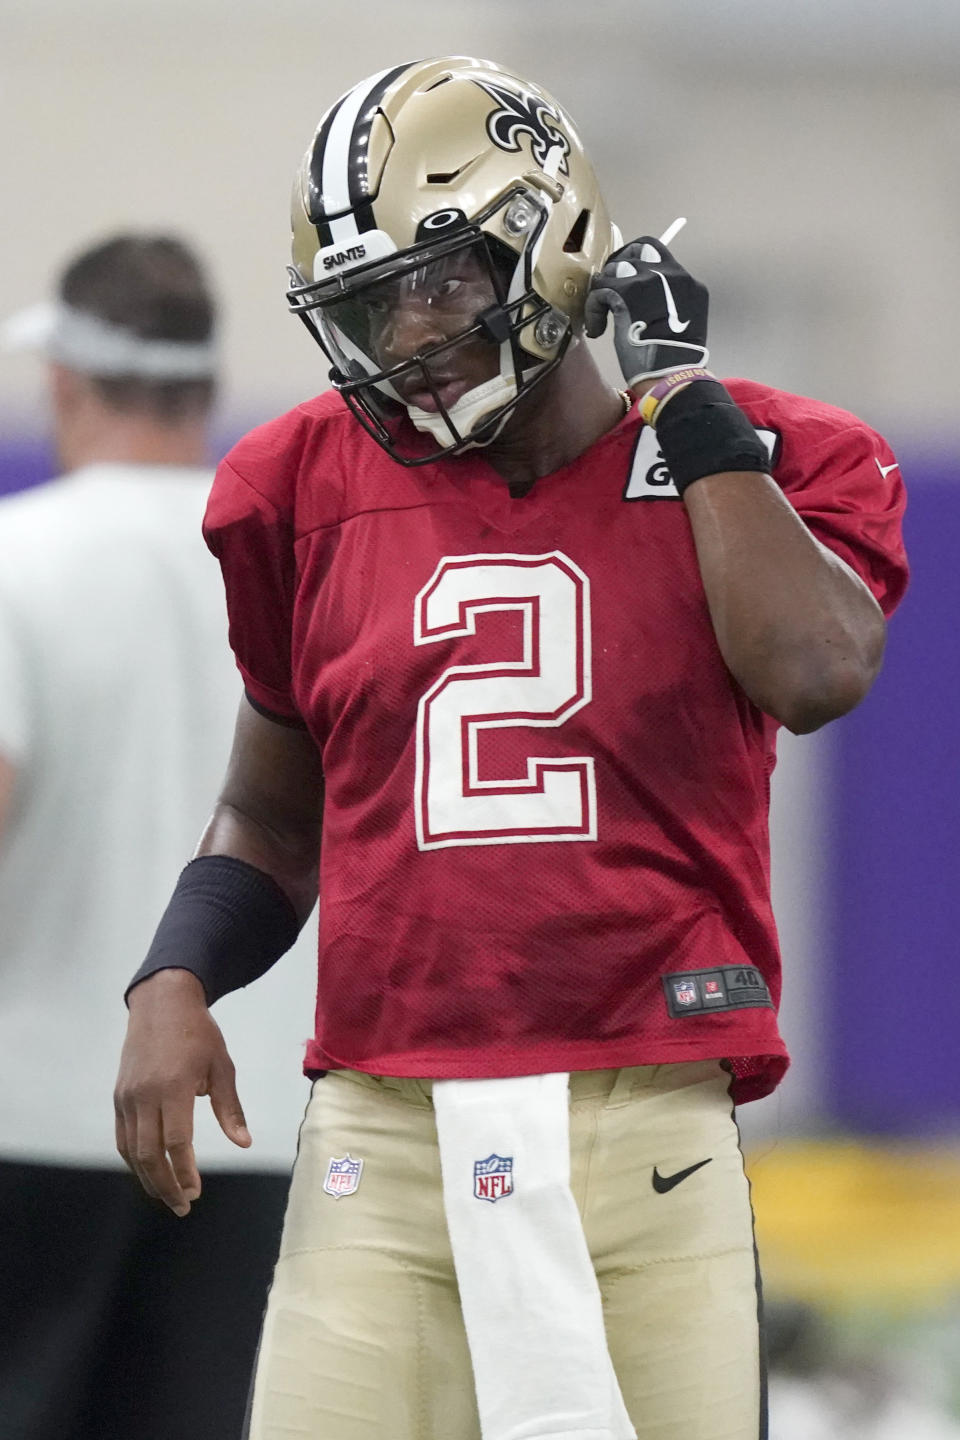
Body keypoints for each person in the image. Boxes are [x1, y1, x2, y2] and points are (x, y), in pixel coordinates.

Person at [113, 58, 908, 1440]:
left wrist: (690, 409)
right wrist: (174, 973)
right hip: (386, 1121)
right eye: (366, 306)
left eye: (434, 284)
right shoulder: (295, 486)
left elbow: (817, 669)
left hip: (647, 1115)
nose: (401, 340)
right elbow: (267, 813)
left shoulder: (761, 457)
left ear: (550, 238)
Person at [0, 234, 314, 1440]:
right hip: (263, 1130)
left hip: (33, 1124)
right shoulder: (287, 560)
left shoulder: (21, 563)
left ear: (66, 383)